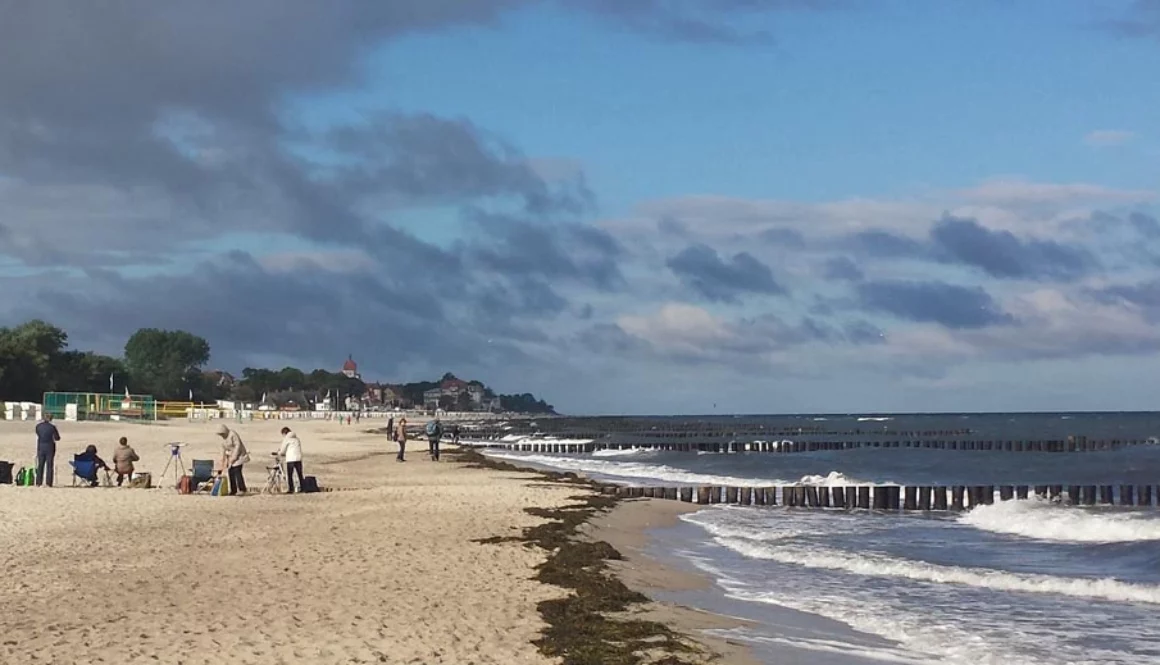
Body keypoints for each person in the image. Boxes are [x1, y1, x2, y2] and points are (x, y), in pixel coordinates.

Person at [215, 423, 250, 495]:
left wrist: (234, 457)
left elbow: (238, 446)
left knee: (237, 472)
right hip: (230, 457)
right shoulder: (223, 440)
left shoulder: (233, 434)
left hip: (239, 456)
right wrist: (222, 462)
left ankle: (242, 489)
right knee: (231, 473)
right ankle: (233, 490)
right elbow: (222, 451)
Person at [34, 412, 60, 487]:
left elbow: (38, 433)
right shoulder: (52, 427)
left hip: (40, 446)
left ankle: (38, 482)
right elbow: (57, 437)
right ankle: (48, 483)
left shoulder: (38, 426)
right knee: (49, 465)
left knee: (40, 465)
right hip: (50, 447)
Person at [278, 426, 304, 494]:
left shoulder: (287, 439)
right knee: (300, 474)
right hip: (298, 458)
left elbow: (283, 450)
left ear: (284, 433)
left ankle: (291, 489)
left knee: (290, 475)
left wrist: (279, 453)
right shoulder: (297, 438)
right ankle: (303, 488)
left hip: (291, 459)